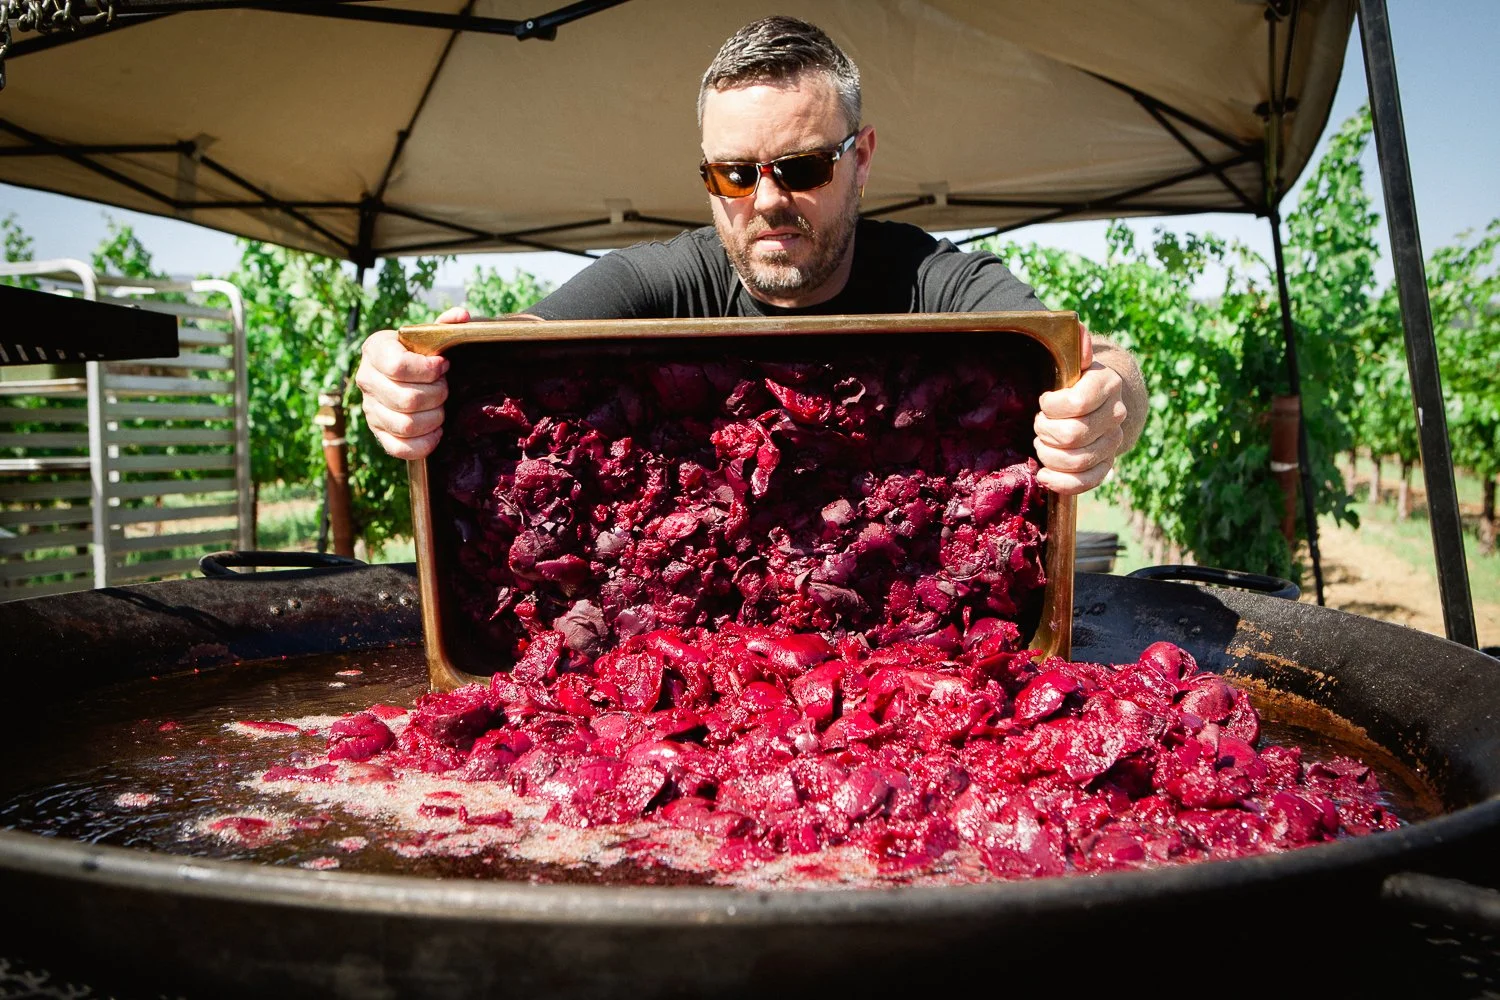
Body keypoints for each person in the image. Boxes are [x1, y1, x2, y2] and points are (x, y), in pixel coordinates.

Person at [357, 15, 1146, 495]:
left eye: (803, 167)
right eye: (734, 173)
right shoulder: (664, 281)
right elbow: (507, 346)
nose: (766, 200)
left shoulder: (927, 278)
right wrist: (409, 372)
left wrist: (1106, 400)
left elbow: (1089, 357)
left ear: (862, 158)